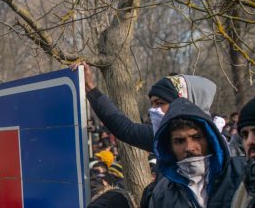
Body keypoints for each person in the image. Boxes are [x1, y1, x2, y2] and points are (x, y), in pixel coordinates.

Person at [77, 62, 216, 152]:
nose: (153, 110)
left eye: (160, 103)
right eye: (152, 104)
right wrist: (90, 89)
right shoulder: (162, 135)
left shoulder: (215, 144)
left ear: (184, 102)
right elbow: (126, 130)